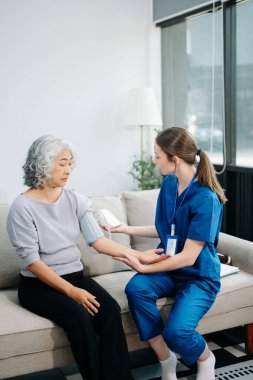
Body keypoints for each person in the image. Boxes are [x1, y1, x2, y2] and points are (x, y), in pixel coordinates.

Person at [6, 135, 164, 380]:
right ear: (42, 164)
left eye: (70, 163)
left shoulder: (75, 200)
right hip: (39, 286)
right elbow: (33, 263)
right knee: (80, 318)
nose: (68, 169)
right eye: (62, 163)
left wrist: (138, 255)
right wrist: (72, 292)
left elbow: (98, 241)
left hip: (75, 277)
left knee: (110, 310)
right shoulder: (22, 207)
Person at [108, 127, 227, 380]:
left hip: (198, 276)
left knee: (177, 332)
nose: (154, 161)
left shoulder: (206, 198)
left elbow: (188, 257)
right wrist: (124, 228)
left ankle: (206, 358)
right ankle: (166, 359)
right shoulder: (170, 184)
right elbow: (164, 229)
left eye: (157, 156)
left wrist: (144, 267)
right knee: (136, 289)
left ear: (174, 158)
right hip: (171, 268)